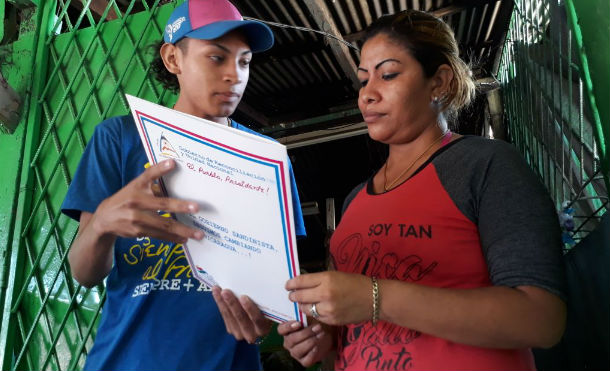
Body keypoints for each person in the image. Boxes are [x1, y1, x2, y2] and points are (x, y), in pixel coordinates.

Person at [278, 9, 566, 371]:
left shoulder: (483, 165)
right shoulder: (354, 201)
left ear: (439, 82)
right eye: (364, 80)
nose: (367, 95)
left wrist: (375, 297)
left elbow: (540, 319)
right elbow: (348, 330)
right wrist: (321, 335)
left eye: (388, 75)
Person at [61, 1, 305, 370]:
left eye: (244, 62)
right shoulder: (119, 139)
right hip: (126, 360)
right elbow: (84, 272)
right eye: (216, 58)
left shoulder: (267, 160)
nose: (234, 76)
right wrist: (102, 224)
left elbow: (281, 286)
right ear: (173, 58)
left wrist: (272, 318)